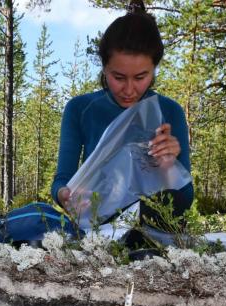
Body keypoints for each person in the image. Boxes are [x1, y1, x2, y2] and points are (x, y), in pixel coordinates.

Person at [51, 0, 192, 240]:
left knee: (152, 217)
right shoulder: (80, 109)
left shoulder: (169, 111)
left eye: (140, 77)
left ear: (154, 69)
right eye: (118, 77)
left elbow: (184, 199)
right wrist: (66, 195)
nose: (129, 89)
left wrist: (169, 164)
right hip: (98, 222)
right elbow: (62, 181)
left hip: (153, 224)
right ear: (104, 67)